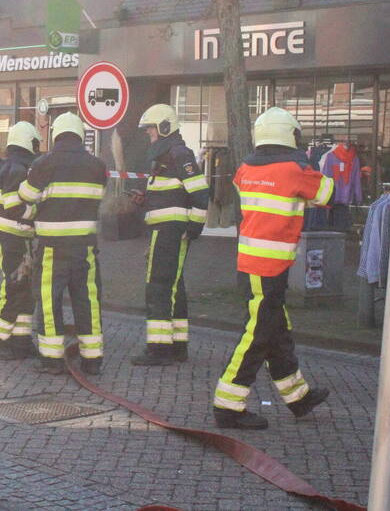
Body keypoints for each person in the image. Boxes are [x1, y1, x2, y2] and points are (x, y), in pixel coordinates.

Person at [213, 107, 333, 429]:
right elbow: (327, 194)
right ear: (289, 134)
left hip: (251, 263)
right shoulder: (295, 169)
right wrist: (311, 166)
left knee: (277, 331)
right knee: (257, 336)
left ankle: (298, 397)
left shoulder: (245, 168)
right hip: (271, 266)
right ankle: (227, 405)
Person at [19, 112, 108, 375]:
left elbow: (26, 195)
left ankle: (52, 359)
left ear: (56, 134)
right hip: (85, 247)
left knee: (49, 301)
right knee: (87, 300)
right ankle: (92, 359)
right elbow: (98, 196)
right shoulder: (97, 166)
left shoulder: (43, 163)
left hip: (52, 248)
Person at [131, 104, 209, 366]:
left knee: (158, 286)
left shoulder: (178, 154)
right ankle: (177, 347)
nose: (148, 134)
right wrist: (145, 199)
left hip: (169, 232)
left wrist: (194, 228)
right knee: (174, 286)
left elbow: (200, 193)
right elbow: (174, 194)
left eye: (151, 129)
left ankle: (158, 349)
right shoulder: (167, 157)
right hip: (167, 231)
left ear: (165, 127)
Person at [0, 121, 41, 360]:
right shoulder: (15, 167)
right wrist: (38, 214)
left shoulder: (19, 165)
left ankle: (21, 341)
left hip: (20, 237)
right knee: (13, 288)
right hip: (10, 237)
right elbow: (12, 206)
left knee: (25, 291)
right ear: (28, 141)